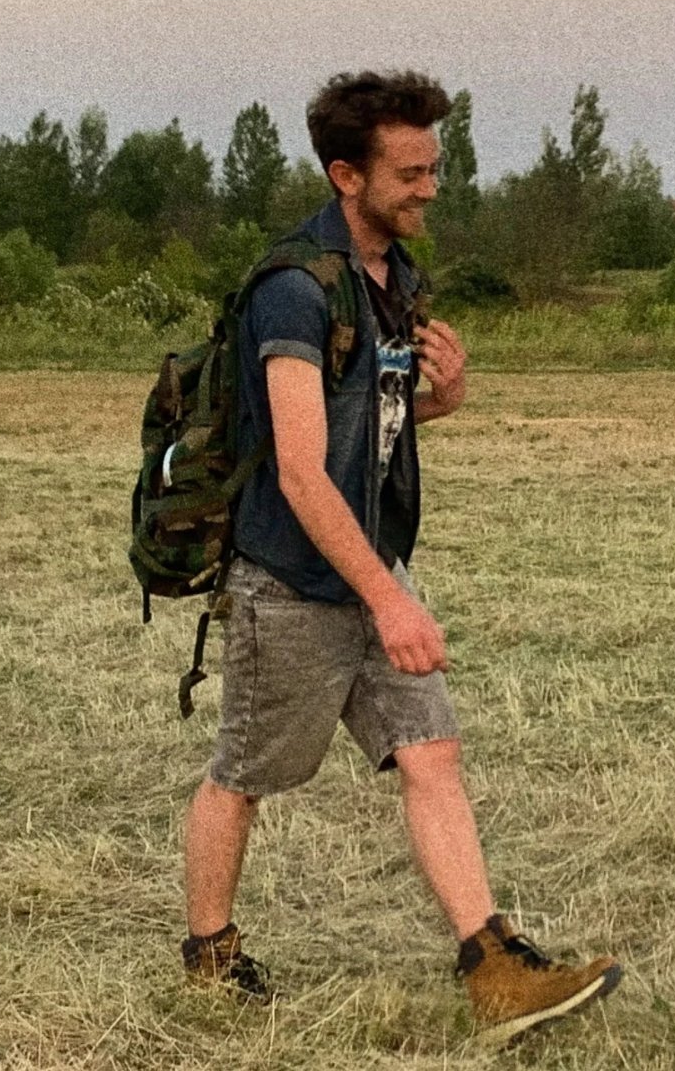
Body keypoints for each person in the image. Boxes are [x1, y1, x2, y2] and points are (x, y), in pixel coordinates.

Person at [179, 70, 621, 1046]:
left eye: (435, 167)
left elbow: (362, 426)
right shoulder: (293, 292)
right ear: (347, 175)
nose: (432, 188)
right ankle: (209, 955)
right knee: (243, 776)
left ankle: (494, 969)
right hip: (292, 585)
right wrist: (391, 600)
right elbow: (301, 471)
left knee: (433, 752)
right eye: (410, 173)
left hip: (370, 567)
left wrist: (440, 401)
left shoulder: (392, 283)